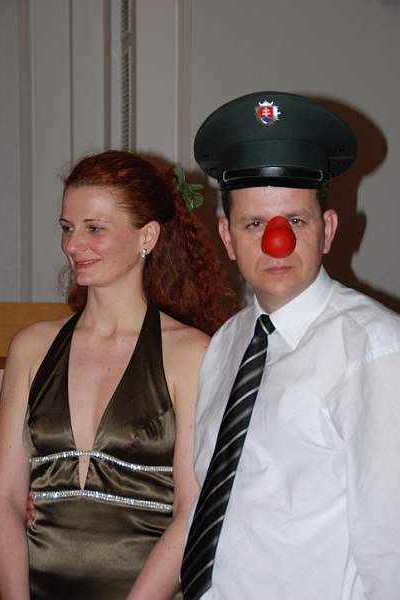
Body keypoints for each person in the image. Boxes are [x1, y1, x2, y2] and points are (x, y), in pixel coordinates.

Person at [180, 91, 400, 600]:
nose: (276, 242)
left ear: (328, 230)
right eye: (255, 224)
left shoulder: (375, 351)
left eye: (295, 221)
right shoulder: (226, 345)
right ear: (227, 237)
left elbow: (391, 552)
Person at [0, 150, 236, 600]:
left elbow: (193, 509)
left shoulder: (191, 353)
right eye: (67, 227)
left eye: (95, 228)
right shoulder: (31, 347)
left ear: (147, 235)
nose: (73, 245)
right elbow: (5, 499)